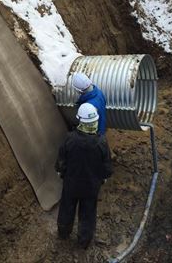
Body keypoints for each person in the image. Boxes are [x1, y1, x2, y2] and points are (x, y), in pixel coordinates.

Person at [55, 103, 113, 249]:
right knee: (88, 213)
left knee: (67, 207)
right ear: (95, 122)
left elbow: (62, 160)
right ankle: (84, 241)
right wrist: (104, 177)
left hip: (71, 184)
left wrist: (61, 172)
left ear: (80, 120)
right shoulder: (101, 142)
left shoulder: (70, 139)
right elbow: (106, 166)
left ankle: (63, 232)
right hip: (91, 187)